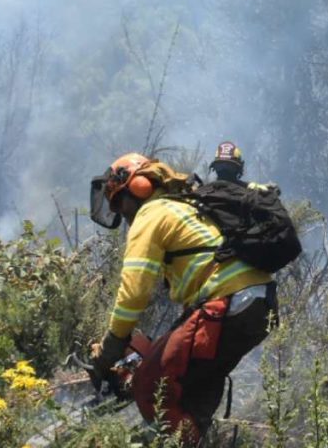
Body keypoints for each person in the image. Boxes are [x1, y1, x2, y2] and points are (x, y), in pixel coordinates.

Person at [89, 153, 277, 444]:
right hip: (258, 304)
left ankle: (179, 441)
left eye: (120, 202)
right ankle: (200, 438)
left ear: (138, 186)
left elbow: (134, 293)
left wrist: (109, 350)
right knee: (193, 388)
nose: (121, 213)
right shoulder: (183, 207)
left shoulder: (151, 214)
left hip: (230, 302)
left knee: (151, 386)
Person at [210, 140, 278, 192]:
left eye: (229, 167)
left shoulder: (206, 193)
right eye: (220, 166)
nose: (224, 170)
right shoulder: (249, 197)